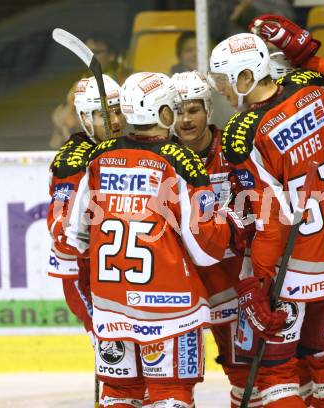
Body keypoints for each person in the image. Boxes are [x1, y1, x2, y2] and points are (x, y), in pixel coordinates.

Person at [208, 14, 324, 407]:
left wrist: (260, 284)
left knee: (274, 375)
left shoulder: (246, 132)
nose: (221, 91)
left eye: (223, 81)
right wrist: (304, 51)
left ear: (245, 77)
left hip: (291, 276)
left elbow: (272, 222)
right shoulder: (318, 95)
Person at [59, 71, 246, 407]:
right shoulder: (179, 160)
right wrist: (232, 224)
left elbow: (73, 236)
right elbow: (205, 248)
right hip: (170, 311)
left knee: (118, 396)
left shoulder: (98, 158)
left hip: (112, 308)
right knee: (170, 395)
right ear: (163, 111)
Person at [47, 75, 153, 407]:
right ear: (84, 118)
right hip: (87, 280)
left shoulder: (129, 146)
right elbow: (61, 229)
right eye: (103, 115)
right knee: (119, 374)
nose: (115, 121)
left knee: (148, 378)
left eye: (118, 111)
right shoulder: (74, 160)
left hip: (125, 278)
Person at [171, 70, 262, 407]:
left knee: (245, 375)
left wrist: (234, 226)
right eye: (178, 111)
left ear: (208, 110)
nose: (185, 119)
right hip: (184, 288)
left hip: (232, 281)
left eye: (192, 109)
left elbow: (257, 203)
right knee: (174, 381)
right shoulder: (164, 158)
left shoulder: (234, 148)